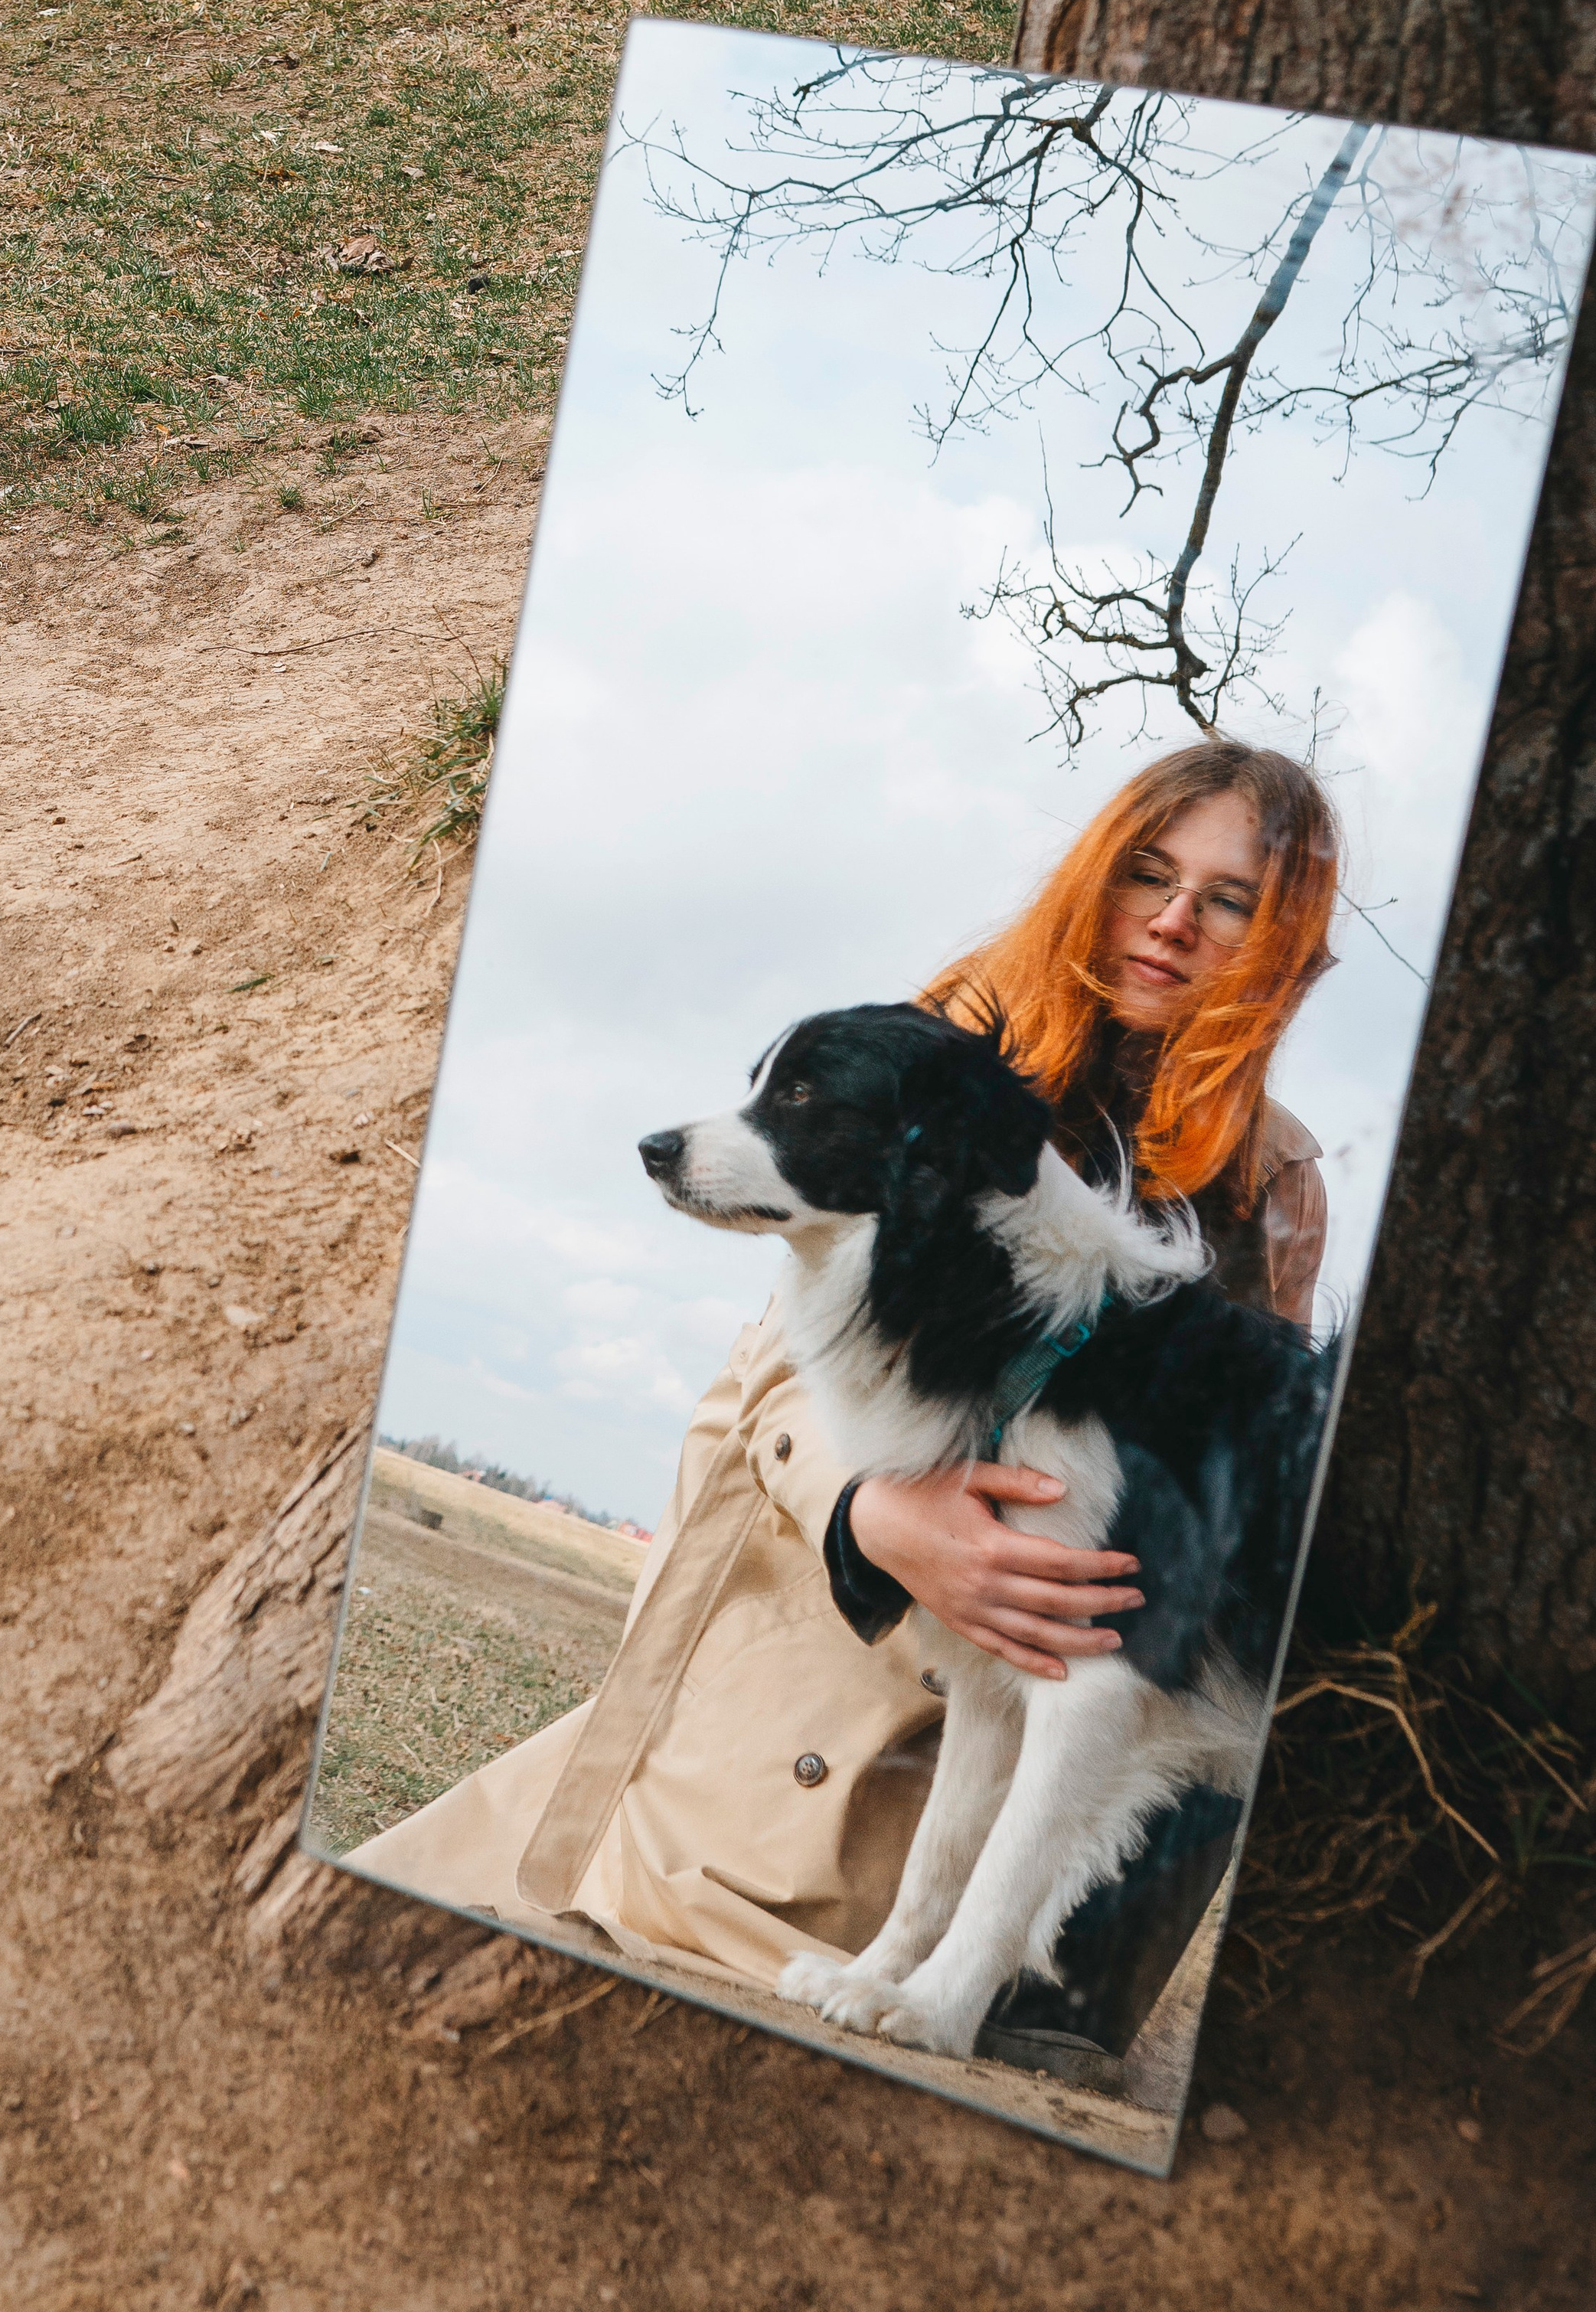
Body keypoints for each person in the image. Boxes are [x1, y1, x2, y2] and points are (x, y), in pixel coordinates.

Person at [351, 740, 1341, 2046]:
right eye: (1148, 873)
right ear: (1097, 875)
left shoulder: (1276, 1182)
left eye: (1230, 901)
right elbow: (766, 1391)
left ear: (1282, 948)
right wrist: (876, 1517)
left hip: (1042, 1810)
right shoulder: (928, 1048)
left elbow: (1241, 1539)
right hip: (801, 1740)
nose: (1173, 919)